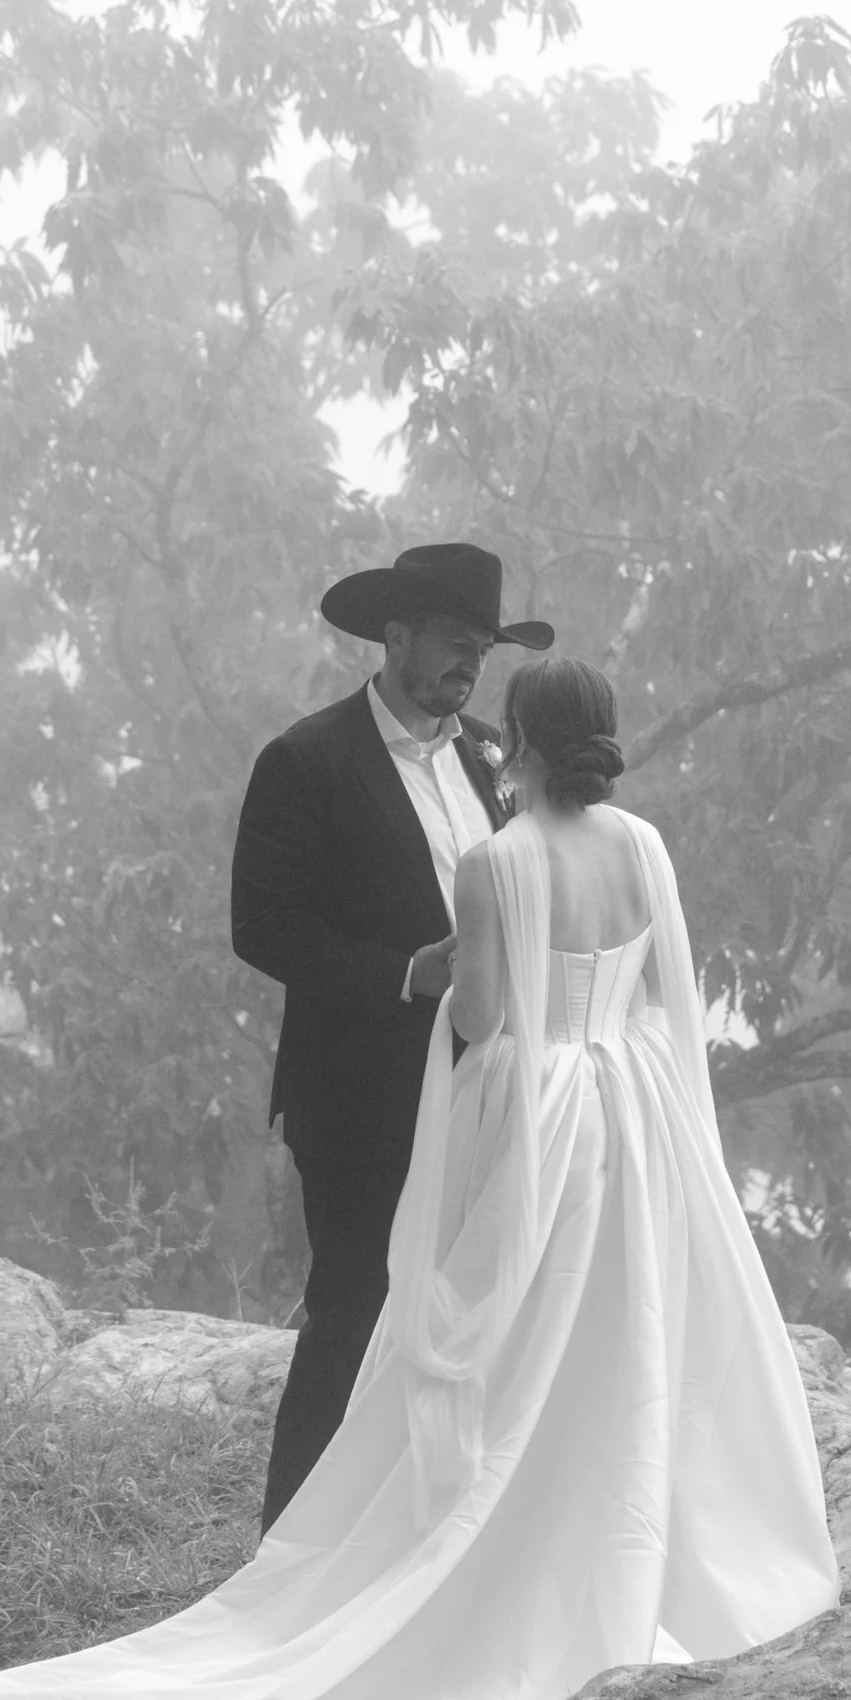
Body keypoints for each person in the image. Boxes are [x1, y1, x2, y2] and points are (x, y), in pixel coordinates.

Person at [0, 658, 840, 1700]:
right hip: (633, 1116)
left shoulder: (497, 863)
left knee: (514, 1325)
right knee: (621, 1329)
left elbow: (480, 1018)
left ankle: (502, 1553)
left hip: (538, 1116)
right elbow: (659, 1002)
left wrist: (474, 995)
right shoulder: (644, 848)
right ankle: (635, 1545)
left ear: (517, 740)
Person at [231, 542, 550, 1529]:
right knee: (354, 1316)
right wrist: (404, 974)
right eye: (455, 646)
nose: (469, 669)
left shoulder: (490, 755)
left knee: (475, 1317)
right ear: (395, 636)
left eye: (482, 652)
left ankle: (426, 1532)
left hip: (487, 1086)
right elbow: (263, 925)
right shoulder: (306, 760)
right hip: (359, 1097)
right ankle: (287, 1550)